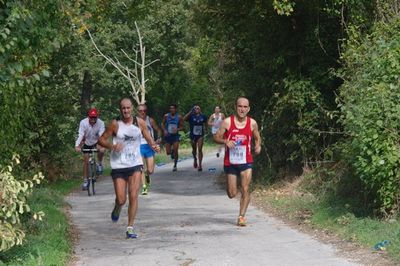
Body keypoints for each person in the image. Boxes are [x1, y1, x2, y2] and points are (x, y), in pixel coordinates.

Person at [98, 98, 160, 239]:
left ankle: (130, 227)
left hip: (135, 165)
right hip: (119, 165)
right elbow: (101, 139)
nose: (125, 111)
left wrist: (154, 146)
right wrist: (112, 146)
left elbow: (149, 139)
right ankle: (117, 208)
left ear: (132, 108)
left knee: (133, 195)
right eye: (123, 108)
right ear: (120, 109)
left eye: (128, 108)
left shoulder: (140, 123)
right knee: (121, 199)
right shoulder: (115, 124)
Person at [213, 97, 261, 227]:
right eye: (240, 106)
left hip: (246, 161)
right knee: (232, 194)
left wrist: (258, 146)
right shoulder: (227, 122)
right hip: (231, 162)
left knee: (245, 188)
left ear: (249, 109)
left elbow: (257, 137)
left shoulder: (252, 123)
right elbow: (216, 137)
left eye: (245, 107)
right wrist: (225, 141)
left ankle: (241, 217)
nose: (242, 109)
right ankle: (235, 193)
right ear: (236, 107)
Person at [75, 108, 105, 190]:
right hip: (87, 143)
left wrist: (102, 145)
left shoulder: (101, 123)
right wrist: (77, 145)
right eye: (91, 117)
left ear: (97, 117)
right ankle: (85, 181)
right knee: (86, 161)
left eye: (94, 117)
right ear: (88, 117)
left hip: (96, 142)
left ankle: (99, 164)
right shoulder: (83, 122)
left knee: (102, 149)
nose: (93, 119)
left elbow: (102, 135)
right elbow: (81, 134)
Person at [137, 104, 162, 195]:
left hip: (149, 146)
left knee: (150, 170)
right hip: (138, 146)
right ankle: (144, 187)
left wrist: (158, 138)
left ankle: (147, 175)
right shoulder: (134, 122)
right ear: (137, 112)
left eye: (144, 110)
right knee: (140, 167)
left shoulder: (150, 120)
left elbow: (158, 130)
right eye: (140, 111)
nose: (142, 112)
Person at [183, 105, 208, 171]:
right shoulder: (191, 116)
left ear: (200, 109)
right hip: (193, 135)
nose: (196, 109)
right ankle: (195, 158)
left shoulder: (203, 116)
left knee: (200, 149)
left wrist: (206, 129)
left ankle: (200, 165)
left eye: (198, 108)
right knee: (194, 149)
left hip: (200, 135)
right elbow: (184, 119)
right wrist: (190, 112)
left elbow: (206, 123)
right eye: (195, 108)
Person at [161, 104, 184, 171]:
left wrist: (177, 129)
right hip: (168, 135)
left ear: (175, 109)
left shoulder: (179, 117)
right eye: (170, 108)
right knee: (168, 152)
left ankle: (175, 165)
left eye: (173, 108)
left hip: (175, 136)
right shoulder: (166, 116)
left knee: (176, 150)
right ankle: (172, 152)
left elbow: (182, 126)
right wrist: (164, 130)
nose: (172, 110)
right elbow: (162, 123)